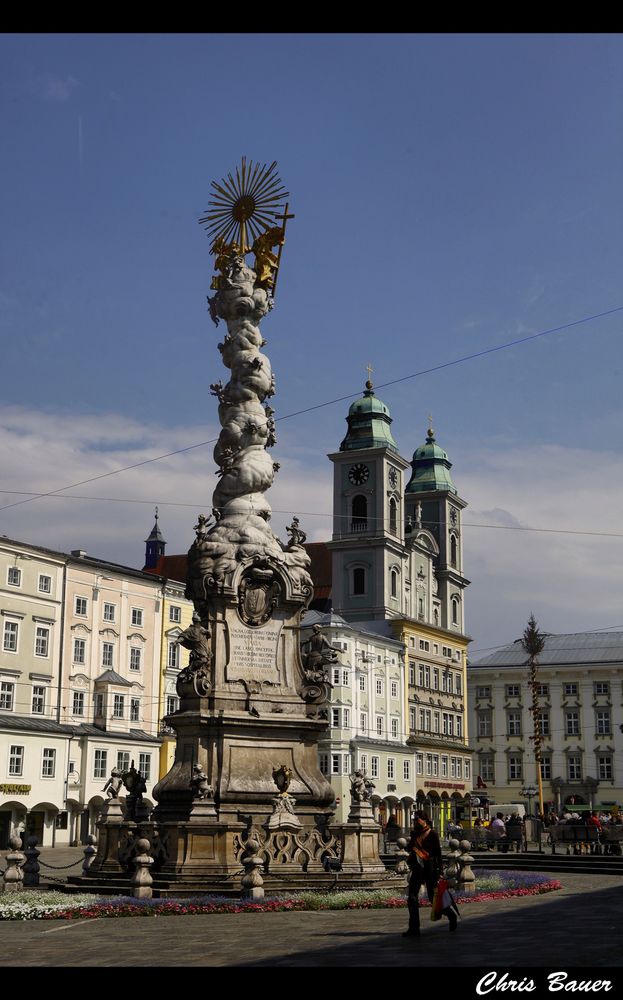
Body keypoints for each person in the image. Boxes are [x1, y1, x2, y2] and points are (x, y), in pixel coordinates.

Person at [403, 810, 458, 938]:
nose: (415, 822)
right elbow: (410, 849)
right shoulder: (415, 833)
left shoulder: (432, 834)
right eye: (414, 820)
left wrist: (439, 871)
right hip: (417, 869)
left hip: (430, 869)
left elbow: (437, 854)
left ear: (424, 820)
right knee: (412, 897)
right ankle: (414, 928)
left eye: (417, 819)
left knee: (433, 898)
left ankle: (450, 915)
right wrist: (412, 841)